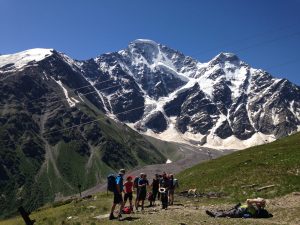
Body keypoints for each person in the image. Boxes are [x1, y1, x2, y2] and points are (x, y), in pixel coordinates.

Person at [206, 198, 273, 218]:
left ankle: (214, 214)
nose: (256, 199)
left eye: (257, 200)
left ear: (259, 204)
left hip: (239, 212)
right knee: (225, 211)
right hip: (239, 209)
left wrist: (256, 200)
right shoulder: (258, 209)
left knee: (226, 213)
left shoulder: (256, 210)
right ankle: (214, 212)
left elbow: (248, 201)